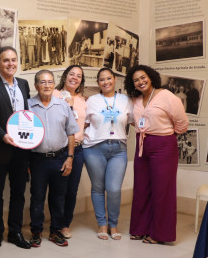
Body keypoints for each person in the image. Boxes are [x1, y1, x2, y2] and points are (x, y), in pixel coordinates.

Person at [126, 65, 188, 244]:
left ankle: (160, 234)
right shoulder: (135, 99)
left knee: (162, 191)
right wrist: (145, 129)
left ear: (151, 77)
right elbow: (133, 121)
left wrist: (163, 134)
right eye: (136, 80)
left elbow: (182, 124)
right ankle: (140, 229)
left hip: (163, 146)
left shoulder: (167, 96)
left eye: (143, 77)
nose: (140, 82)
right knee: (141, 188)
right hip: (141, 144)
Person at [0, 46, 32, 250]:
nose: (11, 64)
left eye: (13, 60)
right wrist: (3, 135)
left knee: (19, 192)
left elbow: (27, 116)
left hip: (22, 149)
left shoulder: (25, 85)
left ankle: (15, 232)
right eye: (6, 60)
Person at [28, 70, 78, 248]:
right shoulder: (28, 106)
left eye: (50, 82)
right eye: (42, 82)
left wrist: (70, 157)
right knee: (37, 197)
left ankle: (56, 231)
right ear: (36, 86)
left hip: (60, 158)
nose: (47, 86)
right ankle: (36, 232)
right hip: (37, 160)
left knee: (58, 197)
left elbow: (71, 132)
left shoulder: (63, 105)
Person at [83, 68, 132, 240]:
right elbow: (82, 122)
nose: (106, 82)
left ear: (115, 79)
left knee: (113, 189)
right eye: (102, 80)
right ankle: (102, 224)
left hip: (118, 149)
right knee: (98, 188)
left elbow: (134, 121)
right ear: (98, 83)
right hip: (94, 148)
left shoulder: (125, 100)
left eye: (109, 78)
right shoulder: (91, 101)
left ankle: (113, 224)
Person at [53, 65, 86, 238]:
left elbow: (85, 124)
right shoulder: (53, 94)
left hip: (78, 150)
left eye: (79, 76)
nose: (74, 78)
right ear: (65, 76)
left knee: (71, 190)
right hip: (58, 149)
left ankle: (65, 224)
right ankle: (55, 223)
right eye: (71, 74)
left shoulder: (82, 101)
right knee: (58, 189)